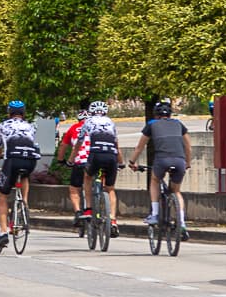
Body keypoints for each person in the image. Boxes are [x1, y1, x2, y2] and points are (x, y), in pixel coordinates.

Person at [128, 100, 192, 240]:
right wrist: (187, 162)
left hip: (162, 160)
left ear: (156, 114)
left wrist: (132, 162)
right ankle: (182, 223)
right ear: (170, 114)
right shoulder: (179, 124)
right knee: (176, 191)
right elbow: (188, 147)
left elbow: (140, 147)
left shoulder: (151, 125)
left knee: (155, 180)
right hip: (179, 160)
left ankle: (155, 214)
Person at [0, 100, 38, 249]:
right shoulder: (30, 126)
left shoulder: (2, 126)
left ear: (9, 112)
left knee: (2, 195)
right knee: (24, 176)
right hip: (31, 159)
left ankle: (3, 233)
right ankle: (24, 203)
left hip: (12, 160)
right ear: (23, 113)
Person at [73, 101, 125, 236]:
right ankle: (113, 220)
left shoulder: (88, 122)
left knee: (88, 177)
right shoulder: (111, 123)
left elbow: (79, 143)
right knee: (111, 188)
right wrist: (121, 162)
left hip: (95, 155)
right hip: (111, 156)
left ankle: (89, 209)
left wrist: (71, 159)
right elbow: (116, 145)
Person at [56, 109, 91, 224]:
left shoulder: (73, 128)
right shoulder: (97, 127)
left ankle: (78, 213)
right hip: (96, 160)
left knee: (74, 188)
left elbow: (63, 145)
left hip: (80, 162)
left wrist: (60, 160)